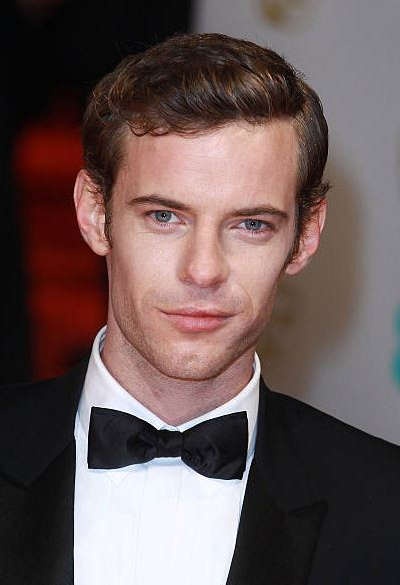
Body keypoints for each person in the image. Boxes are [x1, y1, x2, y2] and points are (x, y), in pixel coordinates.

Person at [0, 33, 399, 585]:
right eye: (165, 217)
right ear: (94, 213)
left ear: (306, 236)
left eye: (250, 225)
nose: (204, 270)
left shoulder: (384, 508)